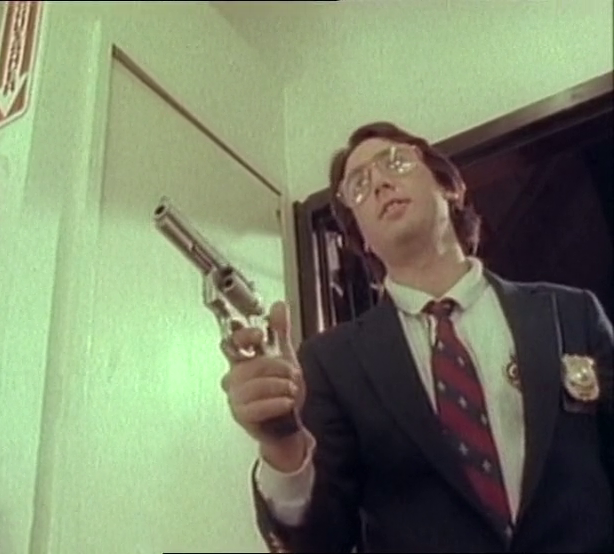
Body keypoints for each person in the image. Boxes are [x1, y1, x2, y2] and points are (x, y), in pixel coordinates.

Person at [220, 122, 614, 553]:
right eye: (358, 185)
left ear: (450, 186)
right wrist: (282, 446)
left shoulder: (569, 313)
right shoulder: (331, 363)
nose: (380, 183)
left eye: (395, 162)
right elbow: (322, 543)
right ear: (361, 238)